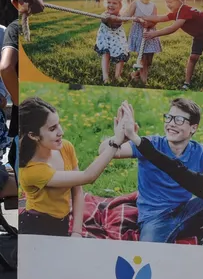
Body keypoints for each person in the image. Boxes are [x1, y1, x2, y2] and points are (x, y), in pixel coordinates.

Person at [119, 101, 203, 244]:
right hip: (157, 217)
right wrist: (132, 137)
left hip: (188, 213)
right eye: (169, 118)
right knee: (148, 251)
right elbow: (173, 168)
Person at [99, 98, 203, 243]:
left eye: (178, 120)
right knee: (149, 253)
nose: (171, 123)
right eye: (169, 118)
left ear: (193, 128)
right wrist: (121, 138)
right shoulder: (151, 144)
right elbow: (103, 150)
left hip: (185, 211)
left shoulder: (199, 152)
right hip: (154, 217)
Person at [19, 97, 129, 236]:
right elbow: (88, 176)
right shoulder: (32, 171)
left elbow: (77, 190)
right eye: (53, 129)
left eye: (59, 124)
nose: (61, 132)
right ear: (33, 135)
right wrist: (116, 142)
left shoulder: (65, 147)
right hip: (36, 228)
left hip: (62, 223)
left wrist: (77, 231)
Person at [3, 0, 44, 173]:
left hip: (28, 116)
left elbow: (5, 67)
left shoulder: (14, 28)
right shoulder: (47, 26)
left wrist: (19, 99)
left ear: (13, 3)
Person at [121, 0, 163, 84]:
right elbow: (127, 16)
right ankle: (144, 82)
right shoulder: (135, 4)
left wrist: (150, 24)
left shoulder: (153, 6)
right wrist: (120, 18)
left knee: (148, 61)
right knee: (144, 59)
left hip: (150, 34)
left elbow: (155, 20)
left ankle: (135, 74)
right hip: (139, 34)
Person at [94, 0, 129, 83]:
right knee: (106, 54)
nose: (111, 5)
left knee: (122, 53)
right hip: (106, 38)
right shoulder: (105, 14)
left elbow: (124, 19)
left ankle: (117, 75)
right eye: (109, 2)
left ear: (120, 5)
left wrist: (116, 18)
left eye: (114, 3)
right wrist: (107, 18)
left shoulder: (120, 16)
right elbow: (103, 19)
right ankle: (105, 77)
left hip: (118, 38)